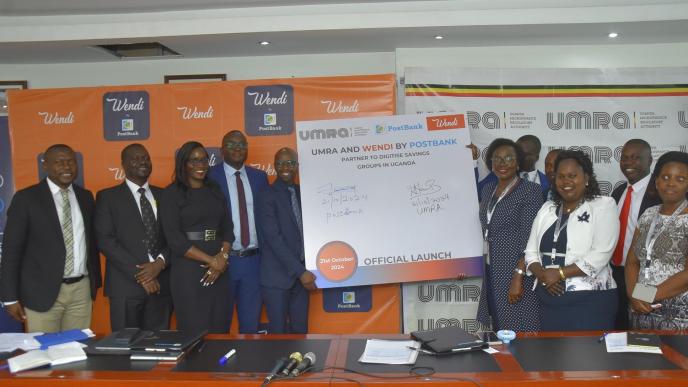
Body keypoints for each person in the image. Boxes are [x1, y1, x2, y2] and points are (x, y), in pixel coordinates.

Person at [0, 144, 101, 332]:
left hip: (81, 291)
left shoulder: (86, 197)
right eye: (59, 162)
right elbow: (11, 251)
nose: (66, 166)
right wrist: (10, 297)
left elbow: (92, 242)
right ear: (45, 165)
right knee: (44, 353)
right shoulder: (26, 199)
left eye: (71, 161)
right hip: (41, 292)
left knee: (77, 352)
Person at [524, 150, 619, 331]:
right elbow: (530, 252)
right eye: (561, 176)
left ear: (586, 178)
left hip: (590, 301)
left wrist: (558, 274)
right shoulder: (548, 207)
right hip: (548, 298)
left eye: (572, 176)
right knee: (552, 356)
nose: (566, 181)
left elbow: (600, 255)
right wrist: (544, 275)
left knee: (587, 358)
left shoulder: (603, 205)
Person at [95, 144, 171, 331]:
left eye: (145, 158)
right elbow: (106, 241)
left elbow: (174, 236)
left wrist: (159, 264)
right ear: (123, 164)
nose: (142, 162)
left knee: (157, 347)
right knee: (125, 348)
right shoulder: (108, 197)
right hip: (125, 287)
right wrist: (144, 276)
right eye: (135, 159)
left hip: (162, 285)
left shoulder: (166, 195)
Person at [160, 141, 233, 333]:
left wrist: (222, 258)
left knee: (220, 327)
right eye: (194, 161)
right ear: (183, 163)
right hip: (189, 273)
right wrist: (212, 261)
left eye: (203, 160)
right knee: (194, 331)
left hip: (220, 271)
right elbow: (175, 240)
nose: (200, 165)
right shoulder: (171, 194)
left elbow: (228, 227)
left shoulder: (214, 189)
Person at [476, 138, 543, 332]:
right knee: (499, 325)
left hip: (516, 270)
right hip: (491, 268)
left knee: (519, 327)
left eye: (508, 158)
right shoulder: (487, 190)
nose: (502, 163)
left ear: (518, 162)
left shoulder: (530, 191)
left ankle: (525, 362)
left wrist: (518, 275)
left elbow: (532, 239)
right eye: (497, 159)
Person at [208, 130, 269, 333]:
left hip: (253, 261)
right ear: (221, 150)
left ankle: (248, 364)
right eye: (232, 144)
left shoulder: (260, 178)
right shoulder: (209, 177)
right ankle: (218, 365)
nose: (237, 148)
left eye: (242, 144)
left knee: (251, 326)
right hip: (222, 261)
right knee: (219, 324)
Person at [626, 151, 688, 331]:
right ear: (657, 181)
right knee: (641, 359)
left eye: (680, 179)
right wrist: (633, 296)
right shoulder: (648, 215)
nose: (671, 183)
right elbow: (631, 262)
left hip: (679, 316)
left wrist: (646, 295)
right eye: (666, 177)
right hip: (640, 310)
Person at [258, 148, 316, 333]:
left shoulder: (304, 193)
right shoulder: (266, 195)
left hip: (301, 279)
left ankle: (300, 364)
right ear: (274, 166)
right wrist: (301, 272)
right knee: (278, 337)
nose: (286, 167)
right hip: (277, 278)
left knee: (301, 334)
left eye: (290, 163)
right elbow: (274, 239)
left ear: (297, 166)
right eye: (281, 163)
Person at [610, 139, 660, 330]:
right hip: (615, 273)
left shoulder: (660, 193)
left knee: (643, 323)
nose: (629, 163)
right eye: (625, 158)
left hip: (645, 276)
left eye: (636, 158)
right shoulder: (619, 191)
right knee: (619, 324)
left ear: (650, 160)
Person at [476, 135, 549, 201]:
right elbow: (474, 193)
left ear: (536, 157)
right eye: (517, 153)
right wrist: (471, 161)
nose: (520, 157)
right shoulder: (500, 175)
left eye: (526, 155)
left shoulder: (548, 182)